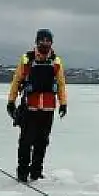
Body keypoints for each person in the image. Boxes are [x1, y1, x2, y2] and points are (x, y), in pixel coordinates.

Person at [6, 28, 68, 182]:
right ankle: (22, 173)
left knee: (42, 142)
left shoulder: (56, 61)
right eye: (42, 40)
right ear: (37, 41)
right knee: (26, 142)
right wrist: (11, 101)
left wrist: (63, 103)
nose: (45, 43)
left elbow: (60, 84)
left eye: (48, 40)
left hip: (47, 109)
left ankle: (36, 173)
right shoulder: (27, 59)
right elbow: (17, 81)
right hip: (30, 108)